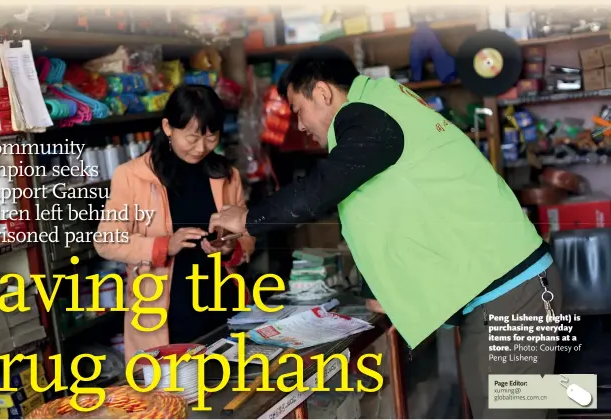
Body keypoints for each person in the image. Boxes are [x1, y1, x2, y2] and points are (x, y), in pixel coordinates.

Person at [208, 46, 562, 418]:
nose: (299, 125)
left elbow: (322, 189)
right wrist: (376, 288)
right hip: (510, 292)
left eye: (298, 110)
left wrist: (248, 219)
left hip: (514, 295)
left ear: (324, 93)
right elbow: (386, 204)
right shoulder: (383, 103)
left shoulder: (366, 115)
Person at [94, 85, 255, 363]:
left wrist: (229, 247)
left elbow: (247, 235)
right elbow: (106, 241)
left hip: (224, 306)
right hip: (166, 315)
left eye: (211, 137)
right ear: (168, 127)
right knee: (173, 399)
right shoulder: (131, 177)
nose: (202, 147)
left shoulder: (226, 174)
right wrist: (163, 245)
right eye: (192, 137)